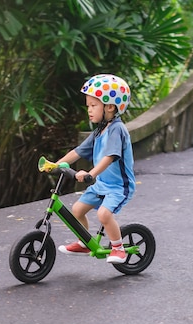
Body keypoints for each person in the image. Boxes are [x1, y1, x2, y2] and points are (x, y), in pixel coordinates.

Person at [54, 74, 135, 264]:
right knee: (77, 210)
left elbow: (110, 157)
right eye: (88, 106)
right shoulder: (99, 130)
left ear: (109, 106)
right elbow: (79, 151)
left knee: (104, 214)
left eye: (93, 105)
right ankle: (84, 242)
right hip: (102, 184)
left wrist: (91, 174)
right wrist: (56, 165)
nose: (89, 110)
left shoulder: (117, 129)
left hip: (118, 186)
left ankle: (118, 248)